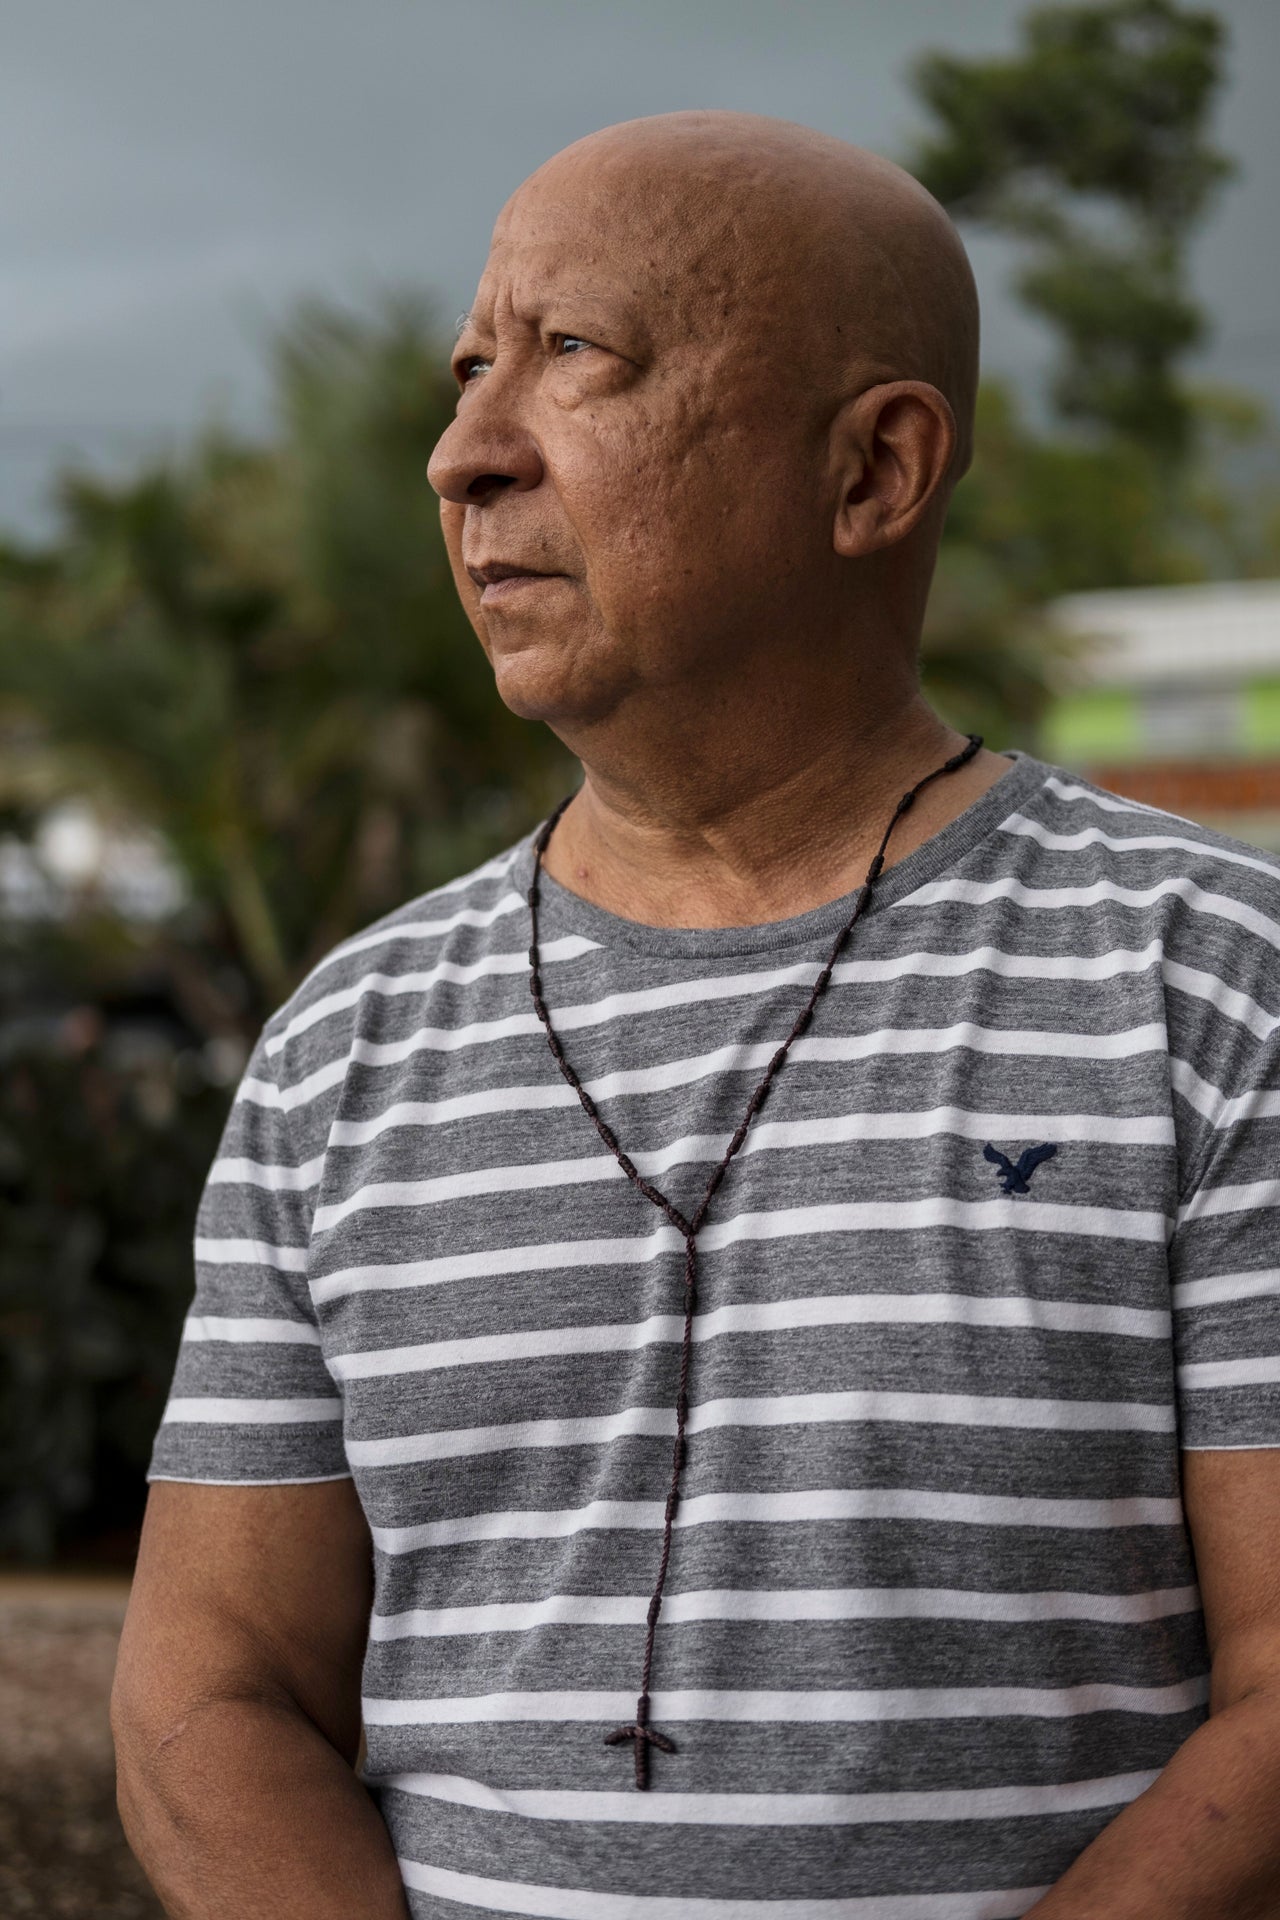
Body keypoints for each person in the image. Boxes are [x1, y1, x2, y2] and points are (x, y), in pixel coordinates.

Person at [111, 111, 1280, 1920]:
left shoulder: (1208, 985)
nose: (460, 457)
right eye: (467, 368)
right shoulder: (344, 1050)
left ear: (873, 471)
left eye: (575, 356)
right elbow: (210, 1688)